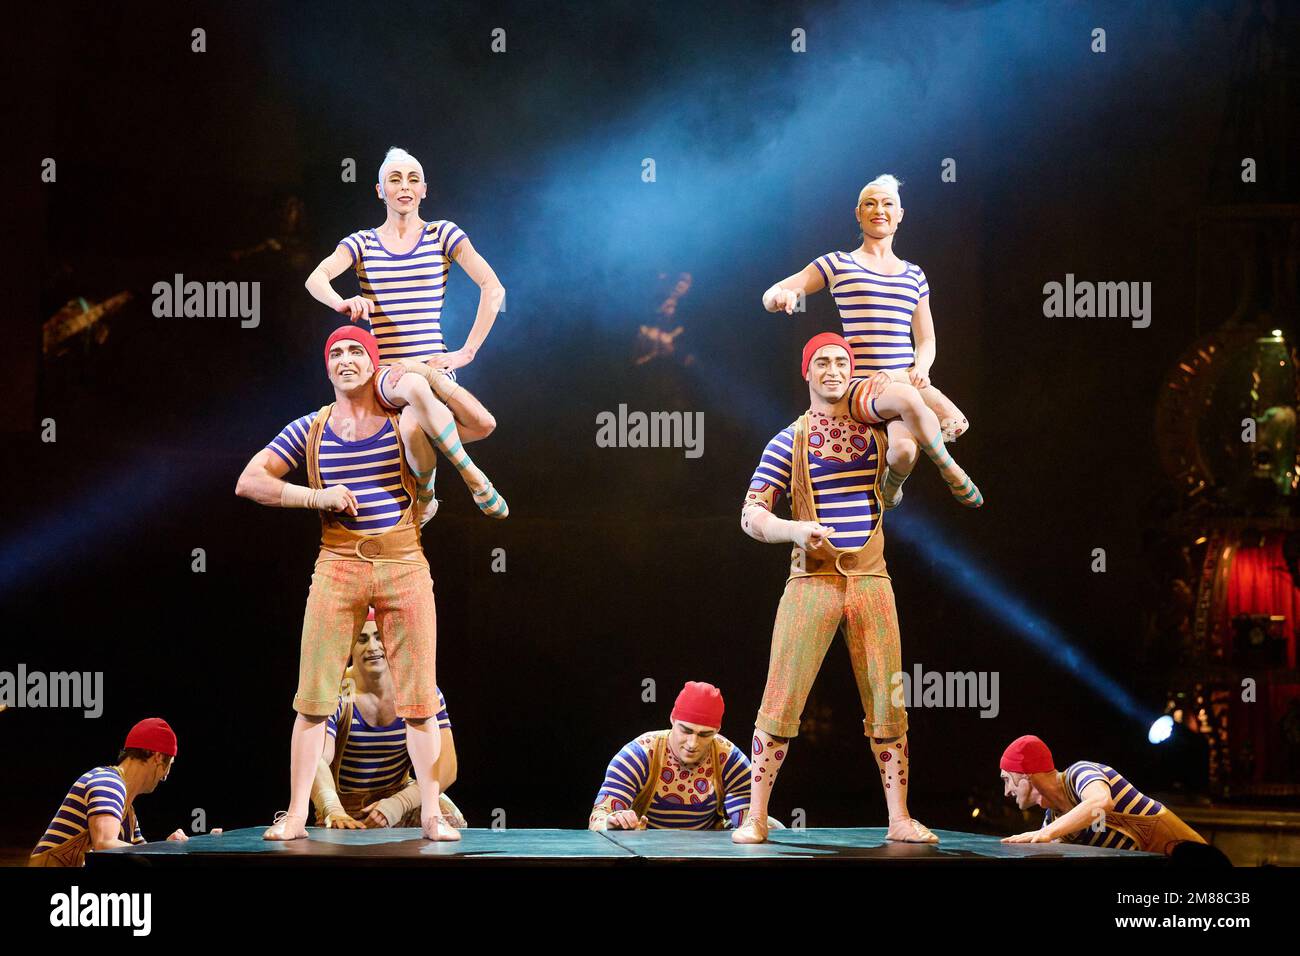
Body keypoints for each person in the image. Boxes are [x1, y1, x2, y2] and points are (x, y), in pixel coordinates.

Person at [236, 325, 461, 841]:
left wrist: (437, 377)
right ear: (326, 365)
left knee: (420, 699)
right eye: (335, 352)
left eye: (356, 351)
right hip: (337, 563)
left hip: (404, 561)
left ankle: (429, 813)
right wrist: (315, 498)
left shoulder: (402, 420)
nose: (344, 359)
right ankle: (294, 814)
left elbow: (470, 424)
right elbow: (250, 480)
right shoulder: (309, 430)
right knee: (312, 697)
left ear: (373, 361)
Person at [732, 334, 938, 845]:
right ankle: (756, 815)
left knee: (888, 699)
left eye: (842, 361)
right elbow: (751, 514)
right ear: (806, 372)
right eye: (821, 361)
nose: (832, 369)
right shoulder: (788, 439)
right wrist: (794, 530)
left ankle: (899, 817)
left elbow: (909, 446)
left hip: (871, 579)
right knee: (782, 696)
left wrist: (902, 462)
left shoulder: (877, 430)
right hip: (812, 581)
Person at [305, 146, 505, 510]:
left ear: (424, 189)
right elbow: (315, 278)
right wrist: (342, 302)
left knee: (416, 427)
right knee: (411, 383)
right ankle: (473, 476)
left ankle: (426, 498)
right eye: (394, 179)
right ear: (380, 190)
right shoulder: (362, 243)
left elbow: (493, 287)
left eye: (413, 179)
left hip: (434, 368)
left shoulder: (442, 234)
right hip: (385, 373)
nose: (405, 186)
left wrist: (467, 351)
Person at [762, 174, 978, 508]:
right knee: (908, 399)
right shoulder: (839, 263)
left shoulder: (914, 275)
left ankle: (891, 489)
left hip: (906, 382)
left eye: (888, 203)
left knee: (905, 451)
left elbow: (927, 338)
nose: (879, 210)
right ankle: (951, 471)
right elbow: (777, 289)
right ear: (858, 214)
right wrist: (779, 298)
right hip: (865, 386)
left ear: (900, 214)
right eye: (870, 204)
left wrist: (922, 366)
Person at [313, 609, 466, 829]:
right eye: (362, 640)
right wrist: (333, 809)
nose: (372, 647)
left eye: (379, 637)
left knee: (450, 819)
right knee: (335, 841)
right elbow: (316, 759)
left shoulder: (418, 691)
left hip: (398, 796)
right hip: (346, 806)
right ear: (349, 647)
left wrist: (398, 804)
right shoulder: (337, 693)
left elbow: (447, 767)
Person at [999, 734, 1208, 855]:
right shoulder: (1054, 821)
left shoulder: (1079, 773)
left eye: (1007, 779)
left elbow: (1101, 802)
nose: (1007, 791)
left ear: (1026, 775)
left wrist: (1047, 834)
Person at [589, 682, 757, 831]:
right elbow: (598, 818)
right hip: (643, 855)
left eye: (705, 735)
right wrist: (611, 824)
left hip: (705, 857)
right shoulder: (638, 755)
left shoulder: (730, 760)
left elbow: (746, 824)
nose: (692, 743)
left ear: (717, 731)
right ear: (672, 719)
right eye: (686, 730)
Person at [30, 718, 191, 866]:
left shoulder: (128, 813)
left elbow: (143, 856)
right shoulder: (108, 782)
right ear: (157, 756)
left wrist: (167, 846)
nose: (167, 773)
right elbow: (105, 843)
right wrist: (160, 851)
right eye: (170, 762)